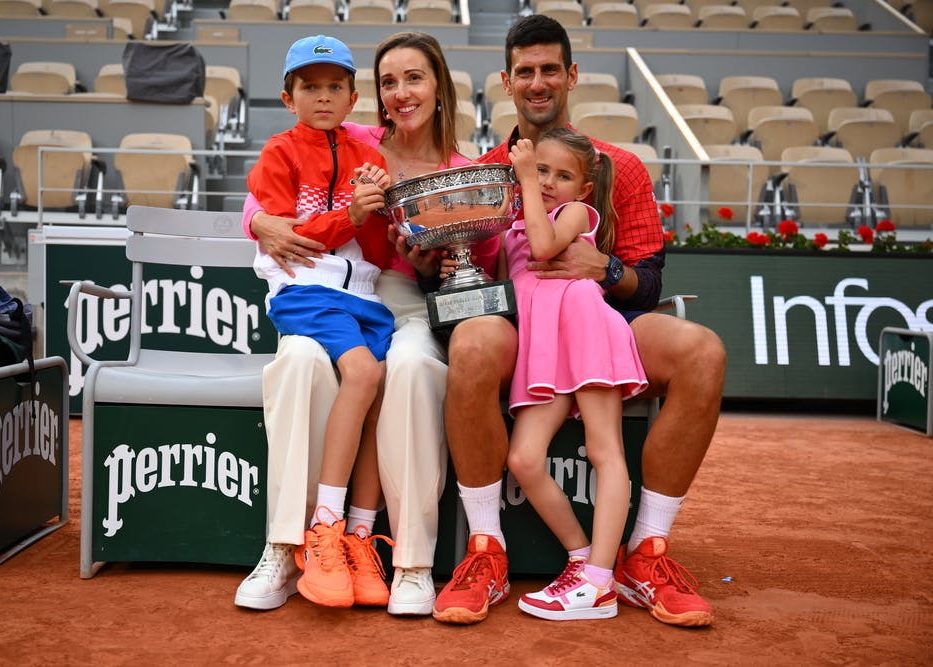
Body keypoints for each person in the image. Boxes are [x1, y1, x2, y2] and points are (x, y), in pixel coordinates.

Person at [431, 14, 726, 627]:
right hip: (522, 328)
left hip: (602, 324)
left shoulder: (618, 167)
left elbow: (648, 284)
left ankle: (644, 555)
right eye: (524, 72)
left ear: (571, 76)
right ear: (505, 82)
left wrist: (604, 267)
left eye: (549, 70)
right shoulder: (482, 175)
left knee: (703, 352)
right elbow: (473, 277)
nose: (537, 83)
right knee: (473, 346)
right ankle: (486, 551)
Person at [234, 32, 489, 616]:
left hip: (403, 300)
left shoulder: (464, 169)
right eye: (390, 82)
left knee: (413, 367)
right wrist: (261, 225)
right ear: (369, 97)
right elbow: (276, 197)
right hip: (325, 290)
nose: (401, 93)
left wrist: (431, 260)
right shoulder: (355, 138)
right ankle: (285, 545)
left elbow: (477, 260)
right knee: (296, 363)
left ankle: (409, 562)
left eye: (415, 78)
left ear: (440, 88)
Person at [239, 33, 396, 610]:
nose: (323, 97)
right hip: (305, 293)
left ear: (353, 97)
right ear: (288, 97)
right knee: (361, 374)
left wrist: (376, 212)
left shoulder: (370, 158)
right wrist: (346, 216)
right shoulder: (279, 153)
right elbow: (291, 239)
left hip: (366, 298)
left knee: (380, 389)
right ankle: (324, 525)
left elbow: (378, 251)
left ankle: (358, 533)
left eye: (335, 87)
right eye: (310, 87)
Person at [494, 129, 649, 621]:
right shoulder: (511, 228)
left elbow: (543, 247)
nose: (548, 182)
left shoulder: (574, 215)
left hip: (585, 330)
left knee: (606, 450)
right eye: (541, 170)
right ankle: (582, 560)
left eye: (562, 176)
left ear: (582, 189)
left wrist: (522, 178)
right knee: (522, 458)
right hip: (545, 352)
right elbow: (504, 287)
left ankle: (601, 582)